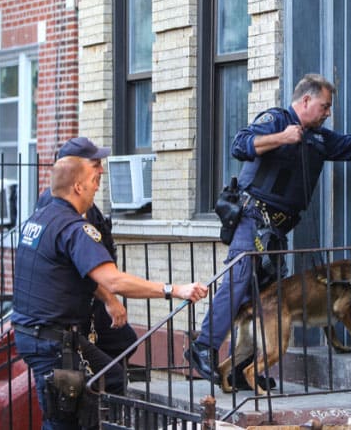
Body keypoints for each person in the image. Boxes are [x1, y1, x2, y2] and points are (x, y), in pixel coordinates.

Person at [185, 73, 351, 386]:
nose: (328, 112)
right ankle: (203, 347)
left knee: (261, 300)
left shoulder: (319, 138)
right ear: (305, 100)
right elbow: (240, 145)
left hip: (277, 232)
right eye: (324, 106)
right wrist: (282, 137)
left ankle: (241, 371)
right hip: (253, 220)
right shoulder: (276, 120)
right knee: (239, 281)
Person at [12, 144, 208, 430]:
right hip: (51, 341)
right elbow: (113, 280)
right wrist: (174, 289)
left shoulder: (39, 219)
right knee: (63, 419)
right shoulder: (73, 228)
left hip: (37, 334)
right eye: (95, 181)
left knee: (110, 379)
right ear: (78, 187)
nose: (97, 187)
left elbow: (71, 276)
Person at [36, 137, 138, 361]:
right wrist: (109, 299)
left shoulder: (74, 202)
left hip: (90, 297)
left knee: (123, 343)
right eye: (95, 164)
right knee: (119, 345)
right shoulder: (59, 206)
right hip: (82, 300)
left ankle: (101, 387)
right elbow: (78, 262)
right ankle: (101, 390)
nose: (101, 170)